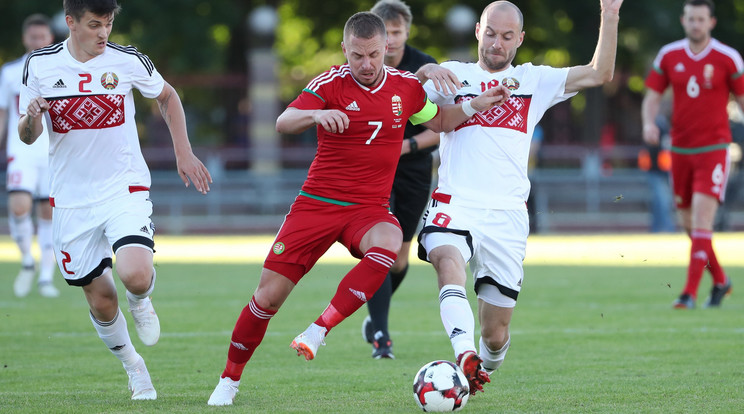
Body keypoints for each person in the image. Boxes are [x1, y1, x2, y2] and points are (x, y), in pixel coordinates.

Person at [207, 11, 509, 406]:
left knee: (390, 240)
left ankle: (319, 329)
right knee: (267, 298)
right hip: (316, 206)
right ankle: (229, 380)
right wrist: (316, 114)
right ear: (344, 51)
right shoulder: (329, 83)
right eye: (356, 56)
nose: (365, 65)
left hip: (367, 209)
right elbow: (283, 121)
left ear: (387, 48)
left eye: (372, 55)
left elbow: (441, 122)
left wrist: (476, 105)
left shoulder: (405, 89)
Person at [415, 0, 623, 395]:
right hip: (454, 200)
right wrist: (424, 69)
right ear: (478, 30)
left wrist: (609, 15)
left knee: (495, 334)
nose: (497, 43)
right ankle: (463, 355)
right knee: (446, 258)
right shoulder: (452, 75)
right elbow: (402, 95)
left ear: (520, 39)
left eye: (507, 36)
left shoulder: (535, 80)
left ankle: (482, 359)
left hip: (508, 215)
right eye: (491, 33)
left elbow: (601, 73)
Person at [19, 0, 212, 400]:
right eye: (94, 25)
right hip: (72, 200)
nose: (103, 34)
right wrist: (32, 116)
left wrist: (184, 151)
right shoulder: (40, 66)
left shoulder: (127, 60)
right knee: (101, 298)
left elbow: (168, 96)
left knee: (135, 274)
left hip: (124, 186)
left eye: (107, 24)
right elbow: (27, 136)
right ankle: (133, 366)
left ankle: (141, 301)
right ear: (71, 23)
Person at [360, 0, 459, 360]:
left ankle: (373, 315)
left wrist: (405, 146)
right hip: (374, 173)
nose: (393, 41)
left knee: (400, 259)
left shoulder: (424, 65)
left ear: (406, 32)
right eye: (388, 34)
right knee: (380, 252)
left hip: (414, 168)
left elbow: (445, 124)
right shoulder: (363, 68)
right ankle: (381, 336)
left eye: (398, 32)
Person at [642, 0, 740, 309]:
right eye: (691, 19)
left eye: (701, 19)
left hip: (714, 148)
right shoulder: (669, 55)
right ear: (684, 21)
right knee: (690, 224)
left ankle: (689, 293)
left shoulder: (728, 57)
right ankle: (721, 280)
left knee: (700, 218)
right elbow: (652, 95)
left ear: (711, 22)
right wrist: (648, 123)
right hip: (680, 149)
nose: (695, 24)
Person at [0, 14, 58, 298]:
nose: (37, 42)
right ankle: (26, 260)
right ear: (25, 38)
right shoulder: (10, 72)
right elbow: (3, 114)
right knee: (19, 206)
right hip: (20, 149)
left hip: (50, 152)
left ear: (50, 39)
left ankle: (47, 278)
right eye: (33, 38)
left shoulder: (59, 70)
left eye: (42, 38)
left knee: (48, 212)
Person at [637, 115, 676, 233]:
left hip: (662, 171)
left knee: (662, 202)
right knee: (661, 201)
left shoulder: (664, 130)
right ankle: (662, 228)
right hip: (656, 172)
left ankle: (662, 227)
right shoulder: (658, 130)